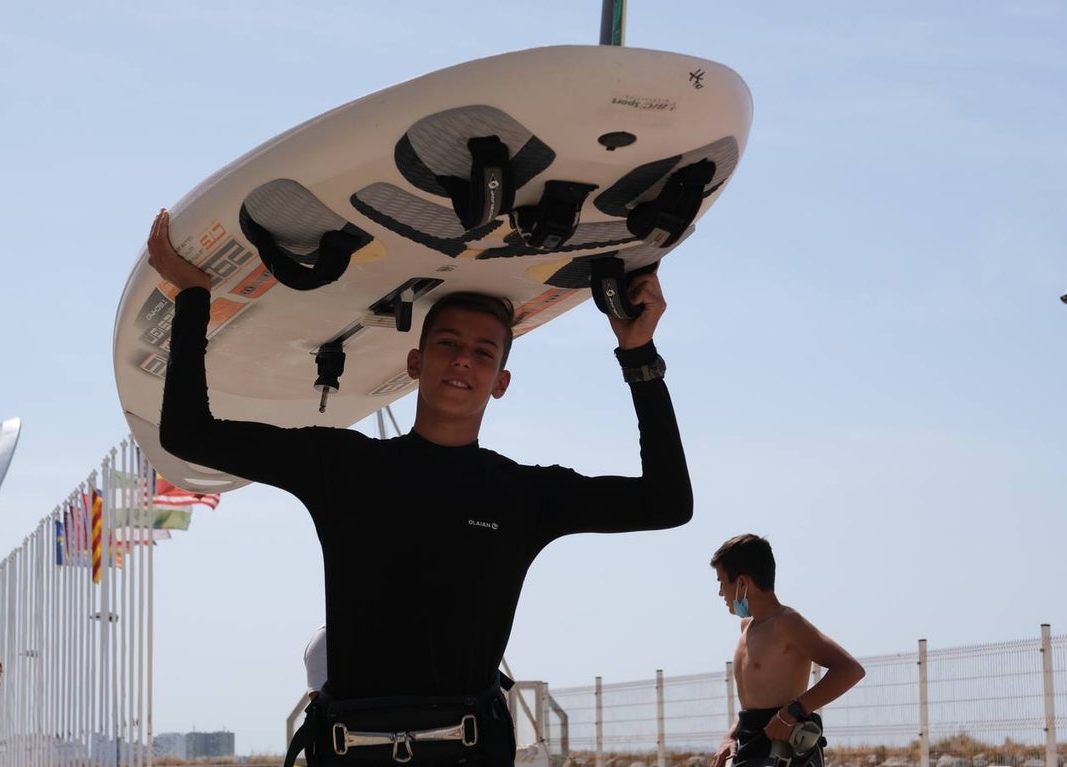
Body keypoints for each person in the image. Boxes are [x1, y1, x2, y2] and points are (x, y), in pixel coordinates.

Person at [147, 208, 694, 765]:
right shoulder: (340, 464)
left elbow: (668, 502)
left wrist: (638, 353)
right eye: (447, 343)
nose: (463, 359)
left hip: (467, 749)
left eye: (484, 352)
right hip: (355, 749)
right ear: (415, 361)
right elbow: (189, 433)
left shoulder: (524, 495)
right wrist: (193, 298)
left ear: (500, 382)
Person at [709, 535, 865, 767]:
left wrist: (791, 713)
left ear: (742, 583)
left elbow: (850, 670)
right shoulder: (746, 628)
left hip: (785, 750)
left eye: (722, 582)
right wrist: (731, 735)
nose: (721, 593)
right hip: (751, 746)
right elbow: (752, 704)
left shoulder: (787, 623)